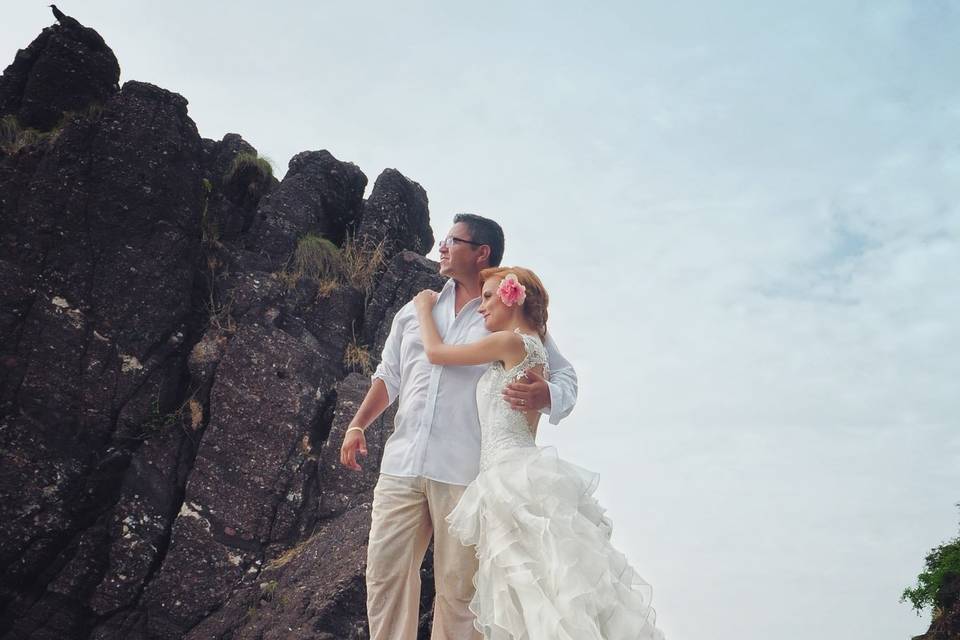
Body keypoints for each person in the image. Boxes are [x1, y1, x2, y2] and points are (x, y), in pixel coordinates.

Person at [339, 214, 579, 640]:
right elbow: (389, 374)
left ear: (481, 252)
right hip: (403, 463)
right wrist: (357, 424)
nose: (441, 247)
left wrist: (548, 396)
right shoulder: (416, 310)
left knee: (458, 591)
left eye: (452, 240)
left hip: (465, 473)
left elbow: (563, 375)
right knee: (384, 576)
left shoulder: (503, 315)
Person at [411, 266, 664, 640]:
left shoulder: (512, 344)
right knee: (537, 585)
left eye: (488, 297)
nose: (481, 308)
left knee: (529, 588)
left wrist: (422, 308)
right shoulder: (532, 348)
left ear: (513, 297)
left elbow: (436, 352)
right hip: (513, 473)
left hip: (508, 478)